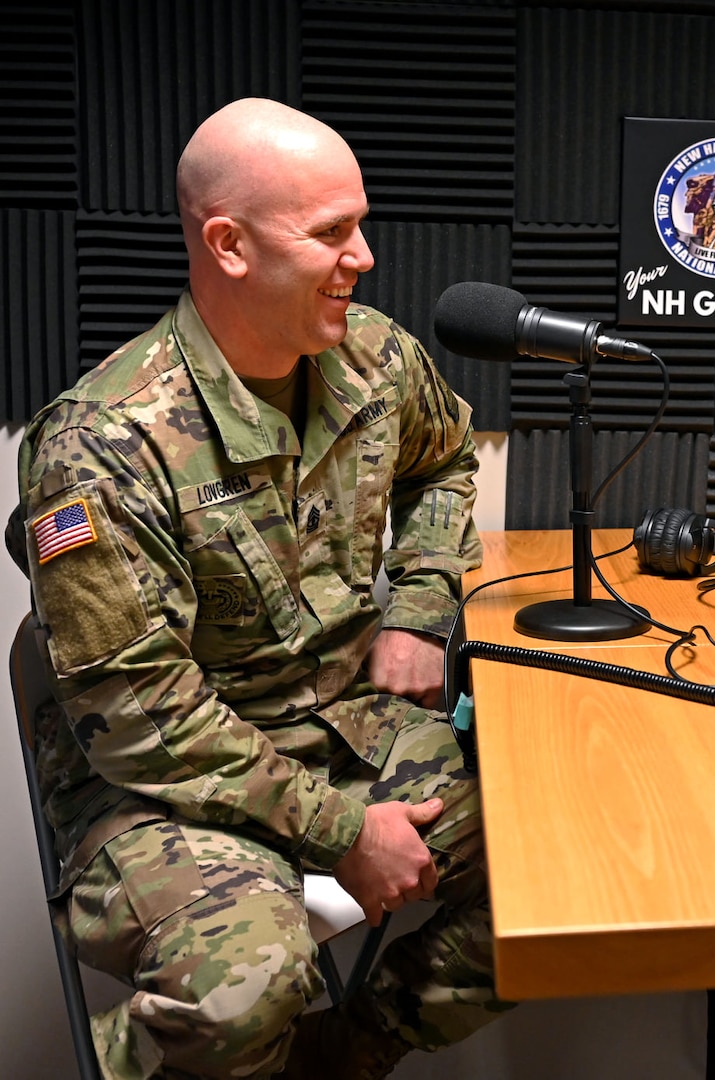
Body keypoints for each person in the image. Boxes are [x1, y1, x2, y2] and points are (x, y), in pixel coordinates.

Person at [10, 98, 508, 1079]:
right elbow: (139, 715)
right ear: (229, 244)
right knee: (248, 984)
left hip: (336, 727)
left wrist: (416, 606)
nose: (362, 256)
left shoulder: (372, 357)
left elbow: (446, 461)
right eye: (330, 233)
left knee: (562, 870)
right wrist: (343, 831)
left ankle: (342, 1054)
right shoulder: (101, 446)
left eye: (359, 224)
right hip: (156, 788)